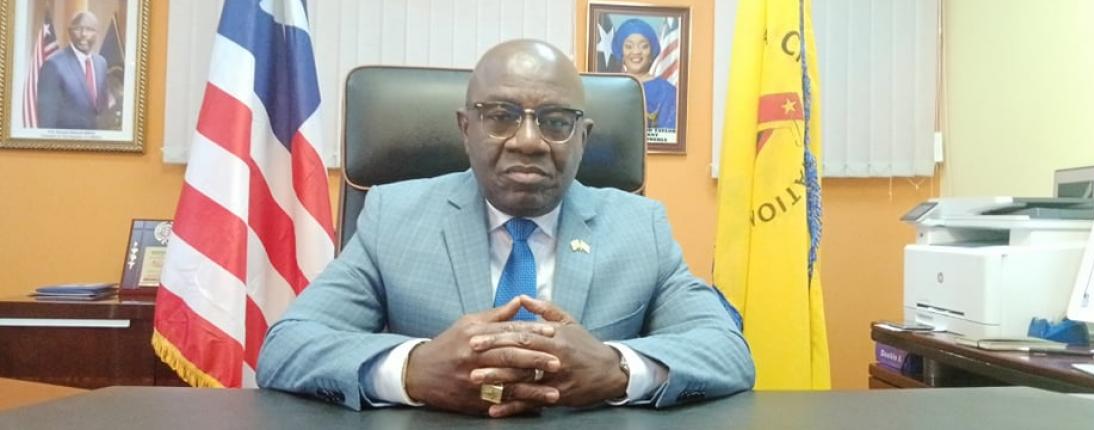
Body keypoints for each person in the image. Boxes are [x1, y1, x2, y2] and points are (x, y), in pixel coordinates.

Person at [256, 39, 753, 417]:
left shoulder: (639, 227)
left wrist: (616, 368)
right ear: (465, 129)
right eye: (500, 116)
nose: (528, 141)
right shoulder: (393, 216)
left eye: (555, 121)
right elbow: (287, 347)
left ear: (583, 138)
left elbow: (726, 350)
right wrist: (413, 370)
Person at [36, 10, 108, 130]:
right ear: (69, 32)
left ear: (97, 34)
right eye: (78, 29)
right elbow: (46, 121)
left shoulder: (101, 63)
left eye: (90, 29)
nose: (83, 34)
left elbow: (102, 109)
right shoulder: (53, 65)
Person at [612, 19, 676, 130]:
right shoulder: (611, 89)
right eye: (629, 46)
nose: (636, 52)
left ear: (651, 52)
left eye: (644, 46)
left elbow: (669, 134)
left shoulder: (667, 92)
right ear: (621, 52)